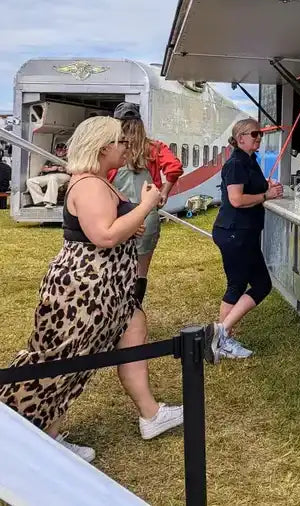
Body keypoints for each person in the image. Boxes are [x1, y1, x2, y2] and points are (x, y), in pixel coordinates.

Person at [0, 116, 183, 463]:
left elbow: (114, 227)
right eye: (121, 142)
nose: (127, 147)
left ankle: (150, 413)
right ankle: (20, 429)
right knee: (59, 363)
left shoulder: (97, 181)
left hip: (107, 290)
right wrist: (145, 205)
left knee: (134, 327)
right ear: (103, 148)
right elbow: (105, 235)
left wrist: (134, 221)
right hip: (84, 292)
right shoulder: (89, 186)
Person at [205, 118, 283, 362]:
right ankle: (220, 336)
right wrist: (266, 194)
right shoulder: (237, 162)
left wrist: (266, 187)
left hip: (243, 232)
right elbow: (237, 199)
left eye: (260, 134)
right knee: (242, 285)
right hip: (234, 232)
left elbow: (251, 189)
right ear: (240, 138)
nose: (259, 137)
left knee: (258, 284)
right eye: (254, 134)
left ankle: (222, 335)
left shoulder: (249, 160)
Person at [107, 102, 183, 305]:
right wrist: (164, 192)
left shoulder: (111, 149)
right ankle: (135, 309)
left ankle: (116, 308)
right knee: (141, 271)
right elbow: (174, 168)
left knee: (114, 265)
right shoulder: (155, 147)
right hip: (146, 214)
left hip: (117, 215)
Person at [25, 142, 70, 207]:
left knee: (53, 177)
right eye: (58, 149)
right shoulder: (52, 159)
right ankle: (40, 200)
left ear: (66, 150)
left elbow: (73, 169)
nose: (60, 151)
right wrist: (52, 169)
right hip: (50, 175)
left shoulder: (69, 158)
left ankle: (50, 202)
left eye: (62, 150)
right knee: (30, 181)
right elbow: (43, 169)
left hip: (64, 175)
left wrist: (64, 169)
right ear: (56, 150)